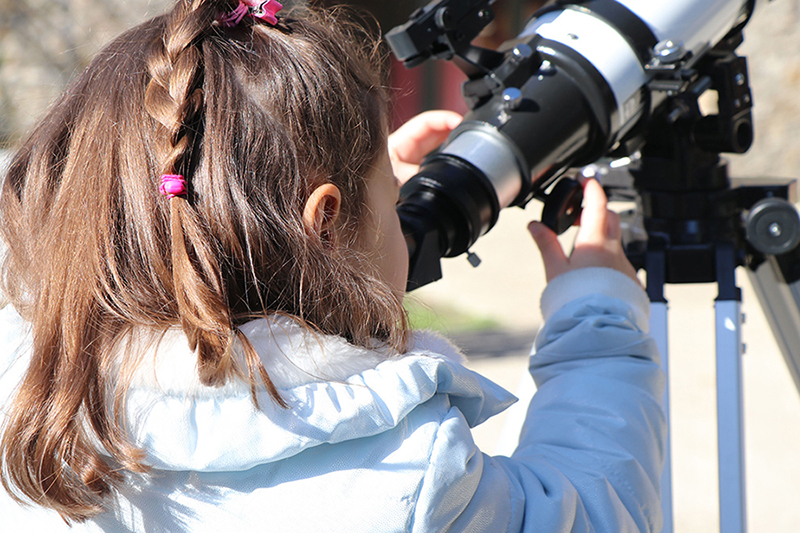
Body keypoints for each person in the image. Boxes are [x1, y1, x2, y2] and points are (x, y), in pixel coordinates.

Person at [0, 1, 665, 531]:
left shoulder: (33, 401)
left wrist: (359, 206)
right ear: (323, 223)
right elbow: (599, 509)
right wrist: (596, 319)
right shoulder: (413, 477)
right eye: (392, 193)